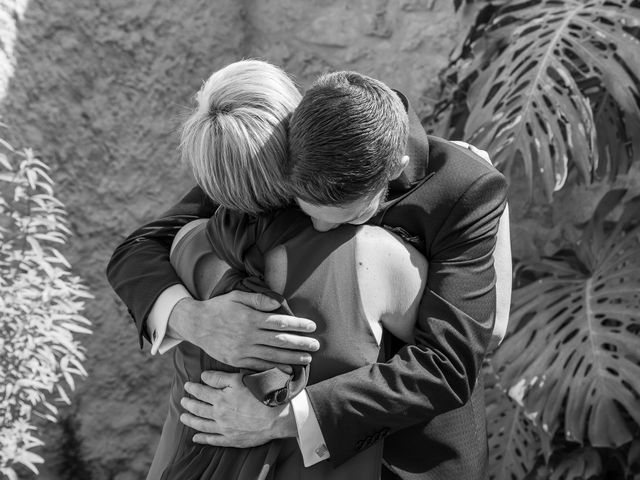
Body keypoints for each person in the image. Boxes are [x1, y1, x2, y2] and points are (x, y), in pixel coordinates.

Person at [107, 65, 510, 479]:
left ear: (393, 169)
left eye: (339, 218)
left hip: (416, 459)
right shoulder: (294, 143)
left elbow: (452, 361)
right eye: (303, 206)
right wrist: (194, 319)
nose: (318, 229)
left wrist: (283, 418)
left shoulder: (465, 187)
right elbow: (137, 249)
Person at [144, 59, 428, 479]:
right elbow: (456, 351)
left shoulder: (183, 249)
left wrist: (187, 317)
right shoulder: (382, 258)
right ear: (294, 142)